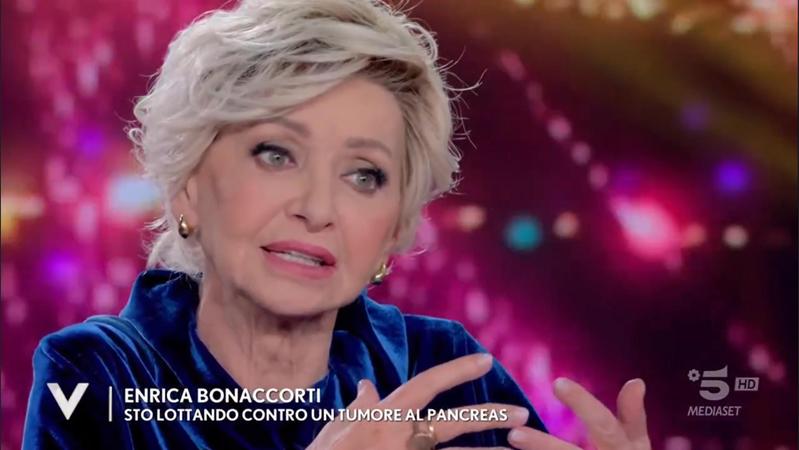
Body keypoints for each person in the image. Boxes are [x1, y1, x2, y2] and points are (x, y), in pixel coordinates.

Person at [22, 0, 651, 449]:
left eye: (364, 175)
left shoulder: (443, 367)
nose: (318, 208)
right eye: (276, 154)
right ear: (188, 184)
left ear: (396, 227)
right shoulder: (98, 373)